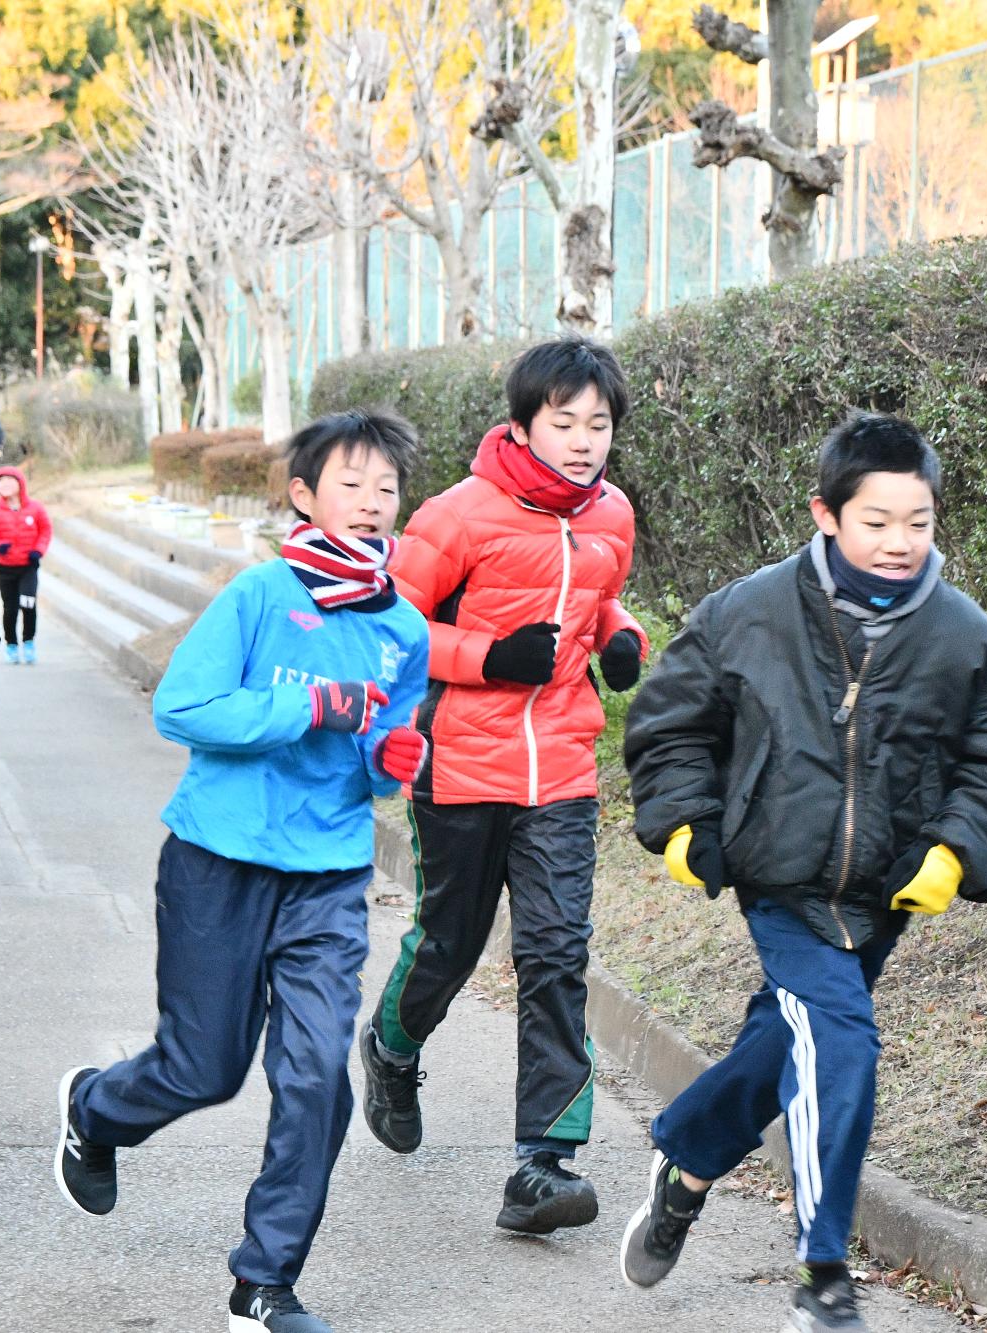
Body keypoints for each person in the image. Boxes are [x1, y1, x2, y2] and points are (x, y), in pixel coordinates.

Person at [619, 411, 987, 1333]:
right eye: (877, 521)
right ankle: (823, 1276)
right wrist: (688, 828)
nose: (899, 542)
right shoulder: (750, 610)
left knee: (789, 1040)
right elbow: (669, 725)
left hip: (885, 888)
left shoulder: (972, 639)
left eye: (919, 522)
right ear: (825, 514)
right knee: (842, 1045)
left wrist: (956, 851)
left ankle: (687, 1161)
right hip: (776, 874)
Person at [51, 410, 431, 1333]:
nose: (374, 502)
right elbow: (183, 707)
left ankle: (264, 1284)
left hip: (328, 878)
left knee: (313, 1078)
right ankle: (97, 1112)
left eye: (387, 487)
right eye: (353, 483)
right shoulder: (261, 594)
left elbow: (379, 746)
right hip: (217, 864)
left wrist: (393, 758)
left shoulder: (405, 627)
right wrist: (306, 707)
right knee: (204, 1068)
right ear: (303, 496)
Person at [357, 336, 648, 1234]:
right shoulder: (457, 515)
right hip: (463, 759)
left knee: (556, 953)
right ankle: (391, 1046)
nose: (583, 441)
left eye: (598, 425)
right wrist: (487, 656)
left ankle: (544, 1164)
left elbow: (597, 597)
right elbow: (387, 628)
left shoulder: (612, 516)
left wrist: (618, 635)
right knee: (450, 940)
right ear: (524, 424)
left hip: (560, 763)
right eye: (564, 423)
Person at [0, 466, 50, 665]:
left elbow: (45, 530)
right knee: (10, 607)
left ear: (20, 484)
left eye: (10, 481)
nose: (5, 485)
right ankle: (11, 644)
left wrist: (39, 550)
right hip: (6, 567)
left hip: (29, 565)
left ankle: (28, 641)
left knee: (28, 603)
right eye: (1, 482)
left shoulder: (35, 508)